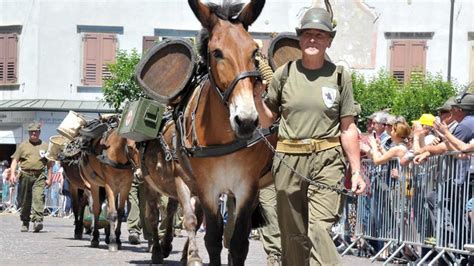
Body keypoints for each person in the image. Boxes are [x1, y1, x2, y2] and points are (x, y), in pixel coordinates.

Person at [254, 7, 366, 265]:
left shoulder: (340, 76)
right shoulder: (285, 74)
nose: (313, 39)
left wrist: (357, 170)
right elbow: (268, 118)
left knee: (318, 229)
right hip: (288, 160)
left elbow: (348, 128)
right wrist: (258, 98)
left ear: (329, 40)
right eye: (307, 34)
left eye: (319, 34)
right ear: (300, 38)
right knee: (293, 236)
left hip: (327, 160)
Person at [9, 122, 52, 232]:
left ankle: (38, 221)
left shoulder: (45, 146)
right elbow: (15, 161)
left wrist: (50, 178)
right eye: (32, 131)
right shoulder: (23, 145)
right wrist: (13, 174)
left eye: (36, 131)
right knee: (25, 200)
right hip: (25, 175)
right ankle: (25, 221)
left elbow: (49, 164)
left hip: (40, 175)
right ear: (29, 133)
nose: (34, 133)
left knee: (38, 197)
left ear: (39, 132)